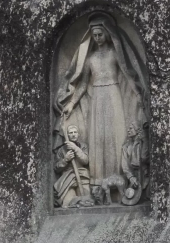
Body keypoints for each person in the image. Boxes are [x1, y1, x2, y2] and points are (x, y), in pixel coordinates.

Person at [56, 12, 147, 183]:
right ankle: (98, 180)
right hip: (97, 97)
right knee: (97, 137)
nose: (97, 38)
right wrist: (72, 103)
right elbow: (83, 84)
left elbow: (128, 73)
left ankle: (119, 176)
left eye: (100, 34)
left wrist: (138, 94)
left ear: (107, 33)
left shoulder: (115, 52)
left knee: (116, 135)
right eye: (94, 35)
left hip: (113, 95)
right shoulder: (90, 58)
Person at [53, 126, 90, 207]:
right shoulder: (61, 149)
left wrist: (76, 149)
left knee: (87, 201)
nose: (73, 135)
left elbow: (85, 161)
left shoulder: (83, 146)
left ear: (78, 134)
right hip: (67, 179)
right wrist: (65, 160)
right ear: (68, 135)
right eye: (71, 133)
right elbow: (56, 169)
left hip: (82, 177)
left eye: (75, 132)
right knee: (68, 203)